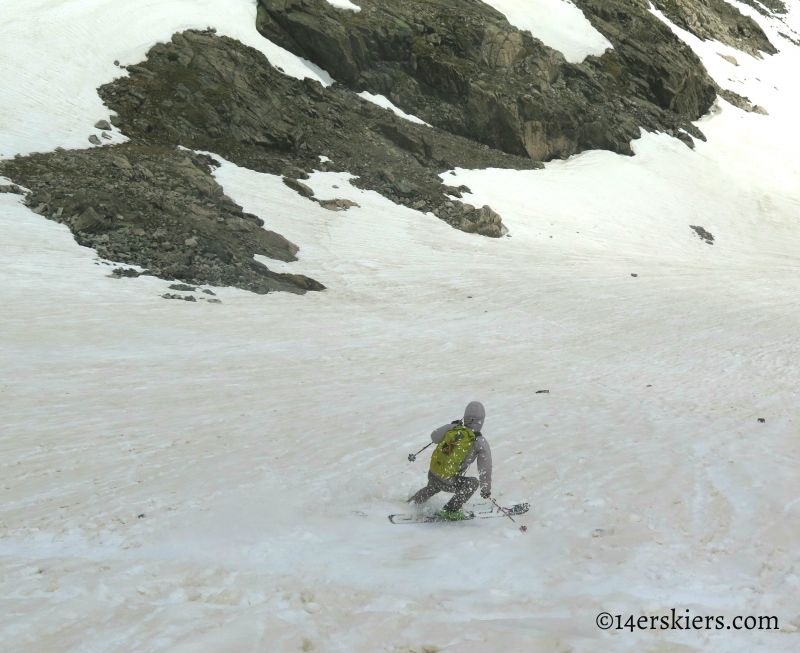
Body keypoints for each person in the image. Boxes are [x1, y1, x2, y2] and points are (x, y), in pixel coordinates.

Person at [409, 401, 492, 520]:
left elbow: (434, 437)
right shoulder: (479, 441)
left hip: (433, 472)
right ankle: (449, 511)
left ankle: (411, 503)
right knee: (472, 483)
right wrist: (485, 490)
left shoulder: (454, 428)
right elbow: (485, 468)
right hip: (447, 480)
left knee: (433, 487)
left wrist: (451, 426)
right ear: (481, 420)